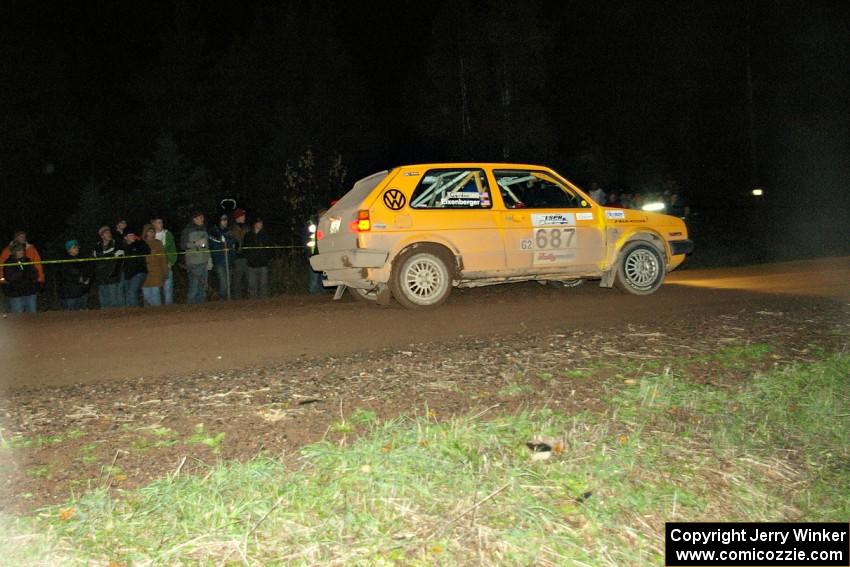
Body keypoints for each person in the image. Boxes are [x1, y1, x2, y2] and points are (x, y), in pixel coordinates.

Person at [180, 211, 211, 304]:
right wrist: (195, 244)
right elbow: (183, 245)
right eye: (200, 218)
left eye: (203, 217)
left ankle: (200, 308)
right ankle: (190, 307)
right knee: (194, 286)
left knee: (203, 286)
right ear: (195, 219)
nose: (203, 219)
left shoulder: (204, 229)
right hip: (193, 262)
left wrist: (209, 259)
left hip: (204, 261)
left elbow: (207, 245)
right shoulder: (188, 230)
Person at [92, 225, 124, 308]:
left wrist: (115, 273)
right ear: (102, 236)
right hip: (101, 277)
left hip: (112, 275)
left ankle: (116, 319)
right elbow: (94, 261)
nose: (109, 234)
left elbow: (120, 259)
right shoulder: (97, 246)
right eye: (106, 233)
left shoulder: (116, 243)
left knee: (114, 300)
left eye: (109, 232)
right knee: (104, 301)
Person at [2, 242, 39, 313]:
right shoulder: (9, 262)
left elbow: (35, 273)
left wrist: (32, 276)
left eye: (22, 250)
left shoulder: (28, 260)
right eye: (19, 250)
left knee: (32, 315)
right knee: (18, 316)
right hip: (16, 293)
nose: (21, 252)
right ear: (14, 252)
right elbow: (8, 277)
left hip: (30, 291)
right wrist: (20, 272)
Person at [151, 215, 178, 304]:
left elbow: (172, 250)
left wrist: (171, 262)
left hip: (166, 265)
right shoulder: (149, 235)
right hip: (154, 267)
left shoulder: (168, 234)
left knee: (168, 289)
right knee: (155, 290)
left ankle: (169, 310)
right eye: (158, 222)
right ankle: (157, 310)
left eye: (161, 222)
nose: (161, 224)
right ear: (153, 224)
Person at [57, 240, 91, 310]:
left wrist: (87, 278)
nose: (77, 249)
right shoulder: (64, 261)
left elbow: (87, 270)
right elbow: (64, 276)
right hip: (70, 293)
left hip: (82, 291)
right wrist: (79, 279)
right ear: (69, 250)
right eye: (74, 247)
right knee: (70, 315)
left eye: (77, 247)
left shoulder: (81, 258)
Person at [209, 213, 236, 300]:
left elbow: (232, 245)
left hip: (229, 260)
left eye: (226, 220)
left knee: (229, 283)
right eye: (223, 220)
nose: (225, 222)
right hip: (219, 261)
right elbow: (214, 245)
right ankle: (220, 299)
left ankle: (225, 301)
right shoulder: (213, 232)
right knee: (224, 282)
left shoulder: (229, 232)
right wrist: (223, 245)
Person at [242, 217, 271, 298]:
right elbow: (245, 249)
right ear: (255, 224)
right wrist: (249, 258)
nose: (261, 224)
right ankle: (253, 303)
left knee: (263, 285)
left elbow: (269, 249)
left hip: (263, 264)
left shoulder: (265, 235)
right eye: (259, 223)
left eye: (261, 223)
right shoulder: (248, 235)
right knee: (252, 285)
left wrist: (266, 258)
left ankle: (264, 302)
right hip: (252, 264)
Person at [122, 228, 149, 307]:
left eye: (133, 235)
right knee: (128, 292)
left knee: (132, 291)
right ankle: (130, 311)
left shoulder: (139, 244)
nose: (133, 236)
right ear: (125, 237)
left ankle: (135, 311)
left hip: (139, 272)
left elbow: (148, 250)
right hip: (128, 273)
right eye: (130, 235)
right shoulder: (123, 247)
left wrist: (140, 240)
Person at [142, 224, 168, 306]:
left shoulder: (158, 243)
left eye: (153, 231)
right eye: (150, 231)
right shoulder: (141, 243)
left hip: (156, 270)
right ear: (145, 232)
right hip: (145, 271)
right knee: (146, 293)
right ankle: (150, 313)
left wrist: (165, 271)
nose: (151, 233)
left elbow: (163, 258)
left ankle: (158, 312)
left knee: (155, 292)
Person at [229, 208, 249, 299]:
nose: (244, 217)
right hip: (237, 257)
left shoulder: (247, 228)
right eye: (242, 215)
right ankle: (237, 300)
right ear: (238, 217)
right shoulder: (232, 229)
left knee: (250, 279)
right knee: (237, 280)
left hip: (247, 256)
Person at [306, 208, 328, 294]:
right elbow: (307, 240)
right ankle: (313, 292)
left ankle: (323, 292)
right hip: (314, 253)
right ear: (320, 214)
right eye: (324, 213)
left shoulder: (326, 223)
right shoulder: (312, 224)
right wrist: (309, 254)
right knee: (314, 275)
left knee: (323, 274)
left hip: (323, 253)